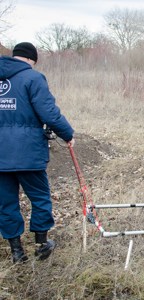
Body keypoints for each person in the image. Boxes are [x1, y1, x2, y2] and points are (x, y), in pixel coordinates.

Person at [0, 42, 75, 263]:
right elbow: (49, 113)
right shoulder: (33, 78)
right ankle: (42, 244)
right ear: (32, 59)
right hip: (28, 154)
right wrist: (67, 134)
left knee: (6, 203)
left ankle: (16, 251)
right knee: (40, 198)